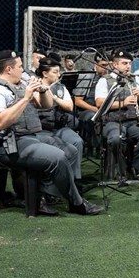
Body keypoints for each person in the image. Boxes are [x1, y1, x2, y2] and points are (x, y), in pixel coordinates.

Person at [0, 50, 103, 216]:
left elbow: (46, 105)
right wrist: (25, 99)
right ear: (9, 69)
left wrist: (44, 91)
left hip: (31, 136)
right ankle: (76, 203)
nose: (23, 71)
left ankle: (43, 195)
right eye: (20, 67)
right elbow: (0, 122)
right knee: (58, 157)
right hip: (9, 144)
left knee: (71, 151)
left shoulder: (20, 83)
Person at [94, 50, 139, 184]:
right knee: (116, 139)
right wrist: (123, 102)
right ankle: (121, 172)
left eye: (129, 63)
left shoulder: (136, 79)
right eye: (124, 63)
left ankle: (135, 166)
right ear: (115, 65)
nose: (128, 66)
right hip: (112, 122)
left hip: (133, 121)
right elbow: (99, 103)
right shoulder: (105, 80)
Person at [35, 57, 85, 189]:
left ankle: (75, 180)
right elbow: (41, 104)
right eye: (55, 72)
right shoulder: (34, 86)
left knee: (77, 141)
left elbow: (69, 106)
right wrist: (45, 93)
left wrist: (55, 97)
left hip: (58, 127)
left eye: (59, 71)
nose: (59, 75)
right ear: (45, 73)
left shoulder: (60, 87)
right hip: (41, 129)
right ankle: (51, 185)